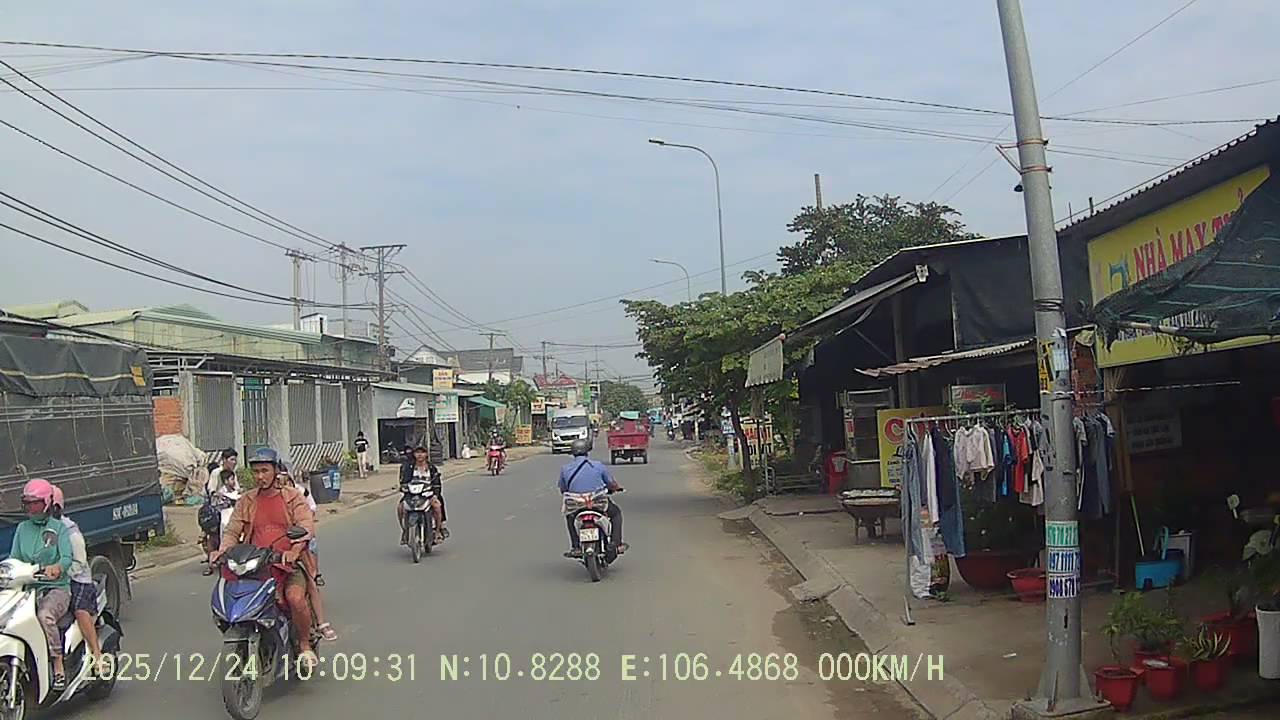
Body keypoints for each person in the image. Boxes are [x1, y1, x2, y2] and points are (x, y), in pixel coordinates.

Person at [211, 449, 321, 666]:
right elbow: (232, 530)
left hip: (288, 565)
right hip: (255, 565)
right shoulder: (247, 500)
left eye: (264, 471)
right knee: (232, 596)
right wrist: (222, 550)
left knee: (295, 598)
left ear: (276, 471)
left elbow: (306, 526)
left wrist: (294, 551)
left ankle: (304, 644)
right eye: (256, 472)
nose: (260, 476)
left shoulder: (292, 497)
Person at [11, 479, 73, 690]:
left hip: (56, 588)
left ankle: (58, 665)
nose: (31, 507)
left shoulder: (58, 528)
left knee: (44, 616)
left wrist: (57, 567)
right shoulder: (22, 529)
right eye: (27, 503)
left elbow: (67, 557)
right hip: (28, 589)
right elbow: (14, 558)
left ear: (47, 503)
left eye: (35, 503)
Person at [49, 486, 105, 674]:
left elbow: (80, 562)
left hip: (77, 580)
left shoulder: (69, 529)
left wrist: (60, 572)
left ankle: (97, 655)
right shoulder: (34, 531)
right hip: (48, 582)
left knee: (80, 611)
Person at [558, 438, 626, 559]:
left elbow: (563, 489)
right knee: (616, 514)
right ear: (587, 450)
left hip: (576, 506)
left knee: (570, 518)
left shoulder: (565, 469)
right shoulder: (598, 466)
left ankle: (576, 546)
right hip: (598, 503)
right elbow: (611, 483)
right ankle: (616, 543)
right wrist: (616, 488)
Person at [398, 440, 447, 544]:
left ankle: (438, 531)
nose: (420, 455)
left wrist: (435, 495)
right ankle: (405, 531)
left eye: (422, 452)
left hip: (428, 494)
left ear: (426, 454)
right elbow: (403, 481)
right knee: (400, 508)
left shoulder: (431, 468)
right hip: (411, 494)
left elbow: (437, 483)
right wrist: (403, 488)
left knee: (437, 506)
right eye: (417, 452)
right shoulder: (408, 467)